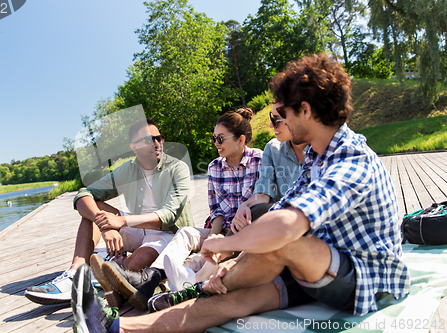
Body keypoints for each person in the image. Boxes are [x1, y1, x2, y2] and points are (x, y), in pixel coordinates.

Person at [71, 53, 411, 333]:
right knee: (233, 302)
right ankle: (116, 329)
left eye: (285, 113)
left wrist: (224, 245)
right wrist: (233, 268)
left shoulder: (352, 160)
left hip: (365, 279)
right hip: (316, 265)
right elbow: (281, 209)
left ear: (305, 110)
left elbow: (288, 226)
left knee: (281, 239)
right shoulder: (314, 157)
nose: (279, 121)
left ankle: (197, 284)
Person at [90, 108, 263, 310]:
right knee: (186, 232)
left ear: (241, 140)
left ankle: (164, 283)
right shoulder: (215, 167)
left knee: (198, 258)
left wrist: (243, 213)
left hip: (248, 231)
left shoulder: (260, 160)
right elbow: (217, 212)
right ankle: (149, 279)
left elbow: (266, 196)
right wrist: (212, 238)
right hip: (222, 230)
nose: (216, 143)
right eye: (214, 138)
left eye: (221, 139)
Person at [24, 118, 194, 306]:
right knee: (92, 209)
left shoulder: (178, 168)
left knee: (138, 263)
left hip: (169, 233)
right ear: (134, 147)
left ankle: (107, 277)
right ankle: (77, 273)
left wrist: (121, 222)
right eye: (148, 139)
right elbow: (83, 194)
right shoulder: (128, 169)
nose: (156, 143)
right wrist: (105, 225)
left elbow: (169, 216)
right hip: (136, 228)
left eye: (158, 138)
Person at [231, 101, 307, 234]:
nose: (271, 125)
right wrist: (245, 205)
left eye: (276, 120)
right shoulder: (273, 149)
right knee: (254, 211)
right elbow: (263, 191)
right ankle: (225, 249)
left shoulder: (323, 149)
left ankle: (225, 248)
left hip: (309, 223)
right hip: (281, 224)